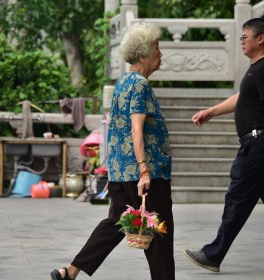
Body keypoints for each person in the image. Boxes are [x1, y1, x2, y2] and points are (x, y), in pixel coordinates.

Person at [183, 18, 264, 274]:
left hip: (259, 144)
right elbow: (242, 97)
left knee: (237, 198)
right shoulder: (258, 67)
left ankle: (213, 254)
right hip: (260, 143)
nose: (242, 41)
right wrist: (212, 111)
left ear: (261, 38)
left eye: (245, 37)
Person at [50, 22, 175, 280]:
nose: (160, 53)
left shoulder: (122, 83)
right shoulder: (139, 84)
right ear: (142, 55)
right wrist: (144, 171)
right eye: (156, 48)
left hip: (119, 171)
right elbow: (136, 129)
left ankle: (70, 272)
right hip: (144, 173)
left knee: (115, 224)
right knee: (160, 234)